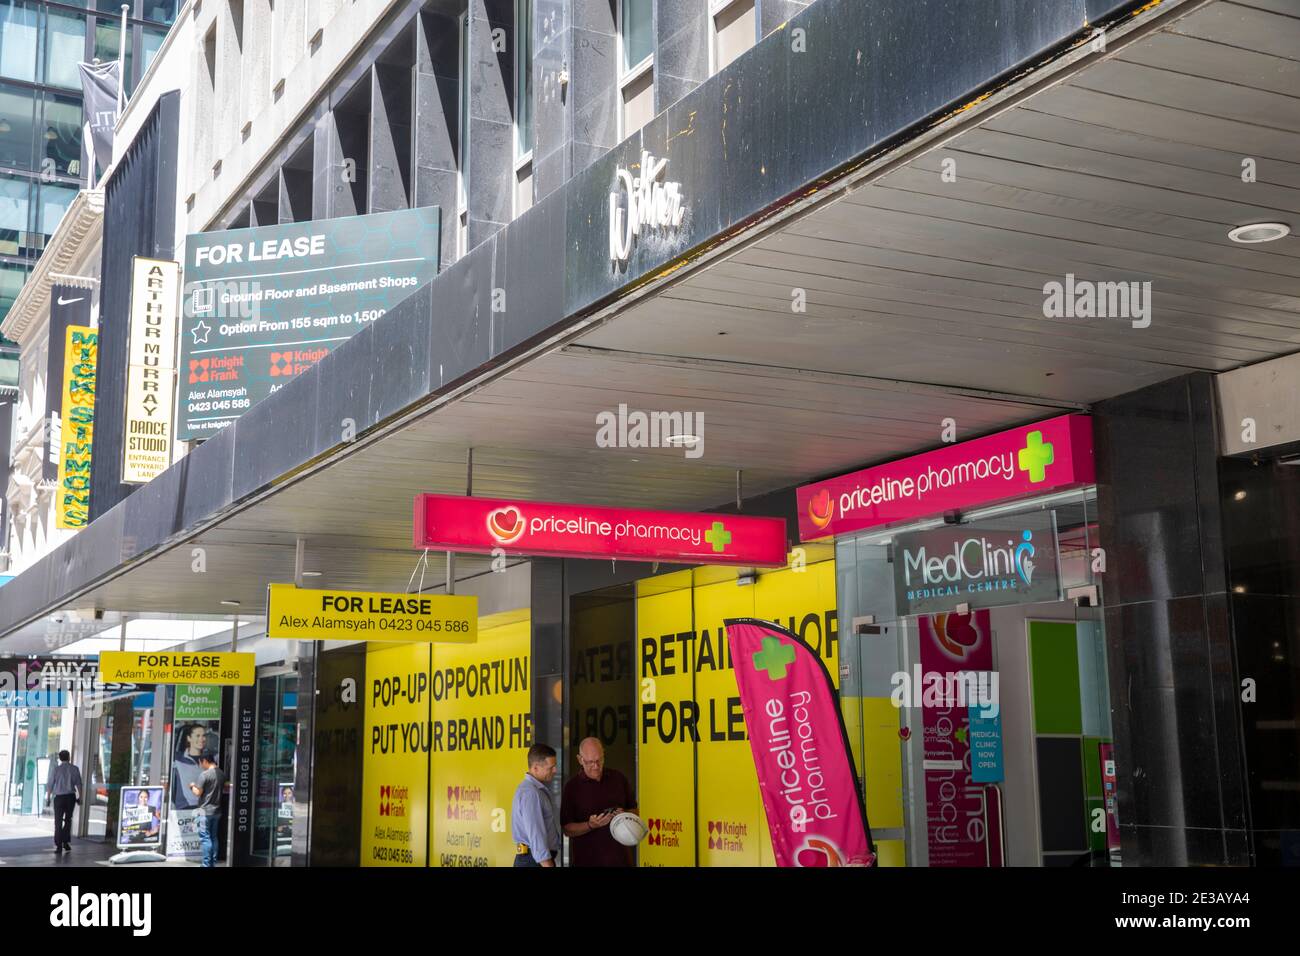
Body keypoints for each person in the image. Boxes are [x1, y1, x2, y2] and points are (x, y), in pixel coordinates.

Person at [561, 737, 638, 867]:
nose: (596, 766)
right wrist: (590, 825)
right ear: (580, 759)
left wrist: (623, 815)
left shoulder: (618, 778)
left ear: (604, 754)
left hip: (621, 860)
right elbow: (567, 829)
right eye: (590, 762)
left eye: (599, 760)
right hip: (587, 861)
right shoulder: (572, 788)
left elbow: (635, 811)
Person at [511, 743, 559, 867]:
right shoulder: (531, 793)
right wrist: (547, 864)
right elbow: (536, 834)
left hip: (534, 859)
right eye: (551, 767)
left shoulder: (534, 790)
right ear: (536, 768)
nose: (555, 771)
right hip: (535, 861)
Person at [188, 753, 226, 867]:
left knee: (205, 838)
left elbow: (197, 792)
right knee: (214, 837)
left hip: (204, 811)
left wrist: (191, 786)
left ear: (205, 761)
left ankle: (206, 864)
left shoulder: (204, 775)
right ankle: (212, 863)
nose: (201, 766)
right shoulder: (221, 773)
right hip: (217, 811)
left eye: (201, 763)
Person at [44, 750, 82, 854]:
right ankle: (65, 841)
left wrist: (48, 798)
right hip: (70, 797)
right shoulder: (74, 769)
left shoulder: (56, 770)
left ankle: (58, 845)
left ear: (60, 759)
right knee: (68, 820)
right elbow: (79, 784)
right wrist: (80, 797)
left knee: (58, 821)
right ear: (69, 757)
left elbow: (50, 785)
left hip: (59, 798)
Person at [170, 724, 210, 810]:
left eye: (203, 736)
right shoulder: (177, 759)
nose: (201, 739)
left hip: (206, 808)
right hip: (185, 808)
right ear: (189, 738)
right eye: (197, 736)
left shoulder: (210, 759)